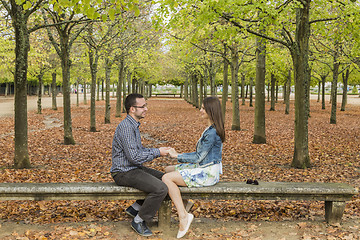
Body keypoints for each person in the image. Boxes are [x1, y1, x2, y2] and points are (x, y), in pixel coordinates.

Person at [162, 96, 226, 238]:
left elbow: (198, 157)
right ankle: (185, 202)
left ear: (211, 110)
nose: (200, 110)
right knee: (168, 170)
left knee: (167, 178)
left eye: (203, 108)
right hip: (203, 167)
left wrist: (176, 155)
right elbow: (199, 155)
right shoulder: (210, 129)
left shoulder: (212, 133)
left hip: (207, 173)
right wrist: (177, 155)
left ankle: (183, 216)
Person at [110, 93, 170, 237]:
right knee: (161, 188)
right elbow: (135, 157)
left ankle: (135, 207)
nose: (146, 109)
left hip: (133, 168)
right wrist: (158, 152)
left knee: (166, 177)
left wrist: (159, 150)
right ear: (132, 109)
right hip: (123, 172)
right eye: (142, 106)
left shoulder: (133, 125)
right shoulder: (126, 127)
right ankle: (139, 220)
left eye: (146, 105)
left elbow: (139, 151)